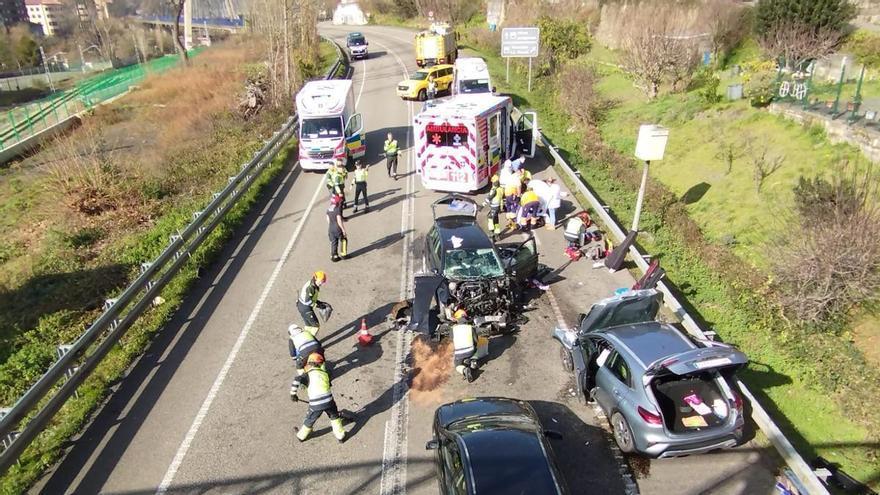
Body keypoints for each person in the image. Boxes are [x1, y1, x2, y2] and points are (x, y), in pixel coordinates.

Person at [294, 353, 348, 442]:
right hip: (329, 402)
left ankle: (301, 436)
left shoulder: (307, 374)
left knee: (310, 419)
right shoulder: (325, 374)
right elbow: (328, 386)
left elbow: (297, 381)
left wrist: (293, 394)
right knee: (335, 417)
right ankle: (340, 436)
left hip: (316, 404)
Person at [288, 324, 324, 397]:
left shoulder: (292, 338)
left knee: (299, 367)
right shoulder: (307, 332)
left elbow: (292, 352)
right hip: (317, 349)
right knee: (321, 360)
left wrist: (296, 359)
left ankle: (304, 381)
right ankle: (323, 372)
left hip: (304, 353)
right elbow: (319, 343)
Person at [451, 309, 478, 383]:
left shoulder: (452, 329)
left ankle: (464, 370)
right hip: (471, 351)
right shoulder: (471, 327)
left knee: (457, 365)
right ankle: (473, 361)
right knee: (473, 350)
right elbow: (476, 341)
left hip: (459, 353)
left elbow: (452, 341)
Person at [327, 194, 347, 261]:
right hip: (337, 228)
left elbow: (328, 220)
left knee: (334, 242)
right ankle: (343, 254)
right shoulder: (337, 210)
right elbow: (339, 221)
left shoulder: (328, 209)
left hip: (331, 228)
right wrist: (343, 230)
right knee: (343, 239)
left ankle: (334, 256)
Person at [486, 175, 504, 240]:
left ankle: (492, 234)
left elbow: (489, 198)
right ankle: (497, 234)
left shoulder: (494, 190)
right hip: (498, 207)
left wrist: (482, 205)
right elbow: (502, 198)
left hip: (494, 207)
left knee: (490, 218)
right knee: (496, 220)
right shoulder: (501, 189)